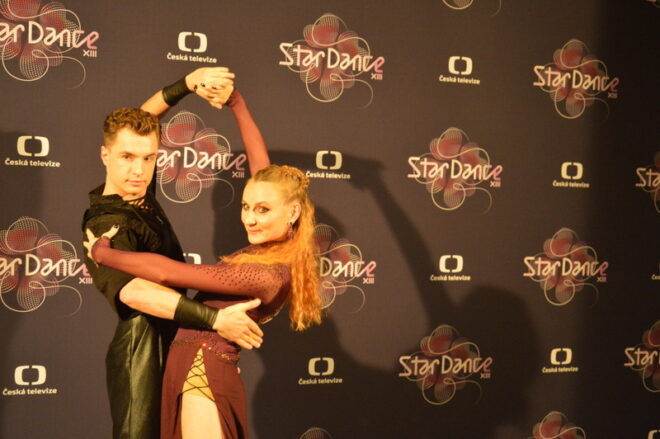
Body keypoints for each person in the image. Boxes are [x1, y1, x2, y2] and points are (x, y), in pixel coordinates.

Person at [82, 67, 269, 439]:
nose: (139, 170)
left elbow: (143, 122)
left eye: (148, 158)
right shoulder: (106, 221)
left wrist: (187, 84)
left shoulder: (137, 193)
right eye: (126, 157)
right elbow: (134, 292)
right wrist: (215, 320)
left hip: (175, 341)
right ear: (105, 155)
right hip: (141, 354)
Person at [85, 164, 323, 439]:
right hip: (194, 368)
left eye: (262, 210)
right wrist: (246, 129)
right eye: (245, 206)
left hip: (202, 375)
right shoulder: (275, 247)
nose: (249, 219)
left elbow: (166, 273)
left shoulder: (266, 275)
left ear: (293, 212)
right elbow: (264, 175)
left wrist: (103, 254)